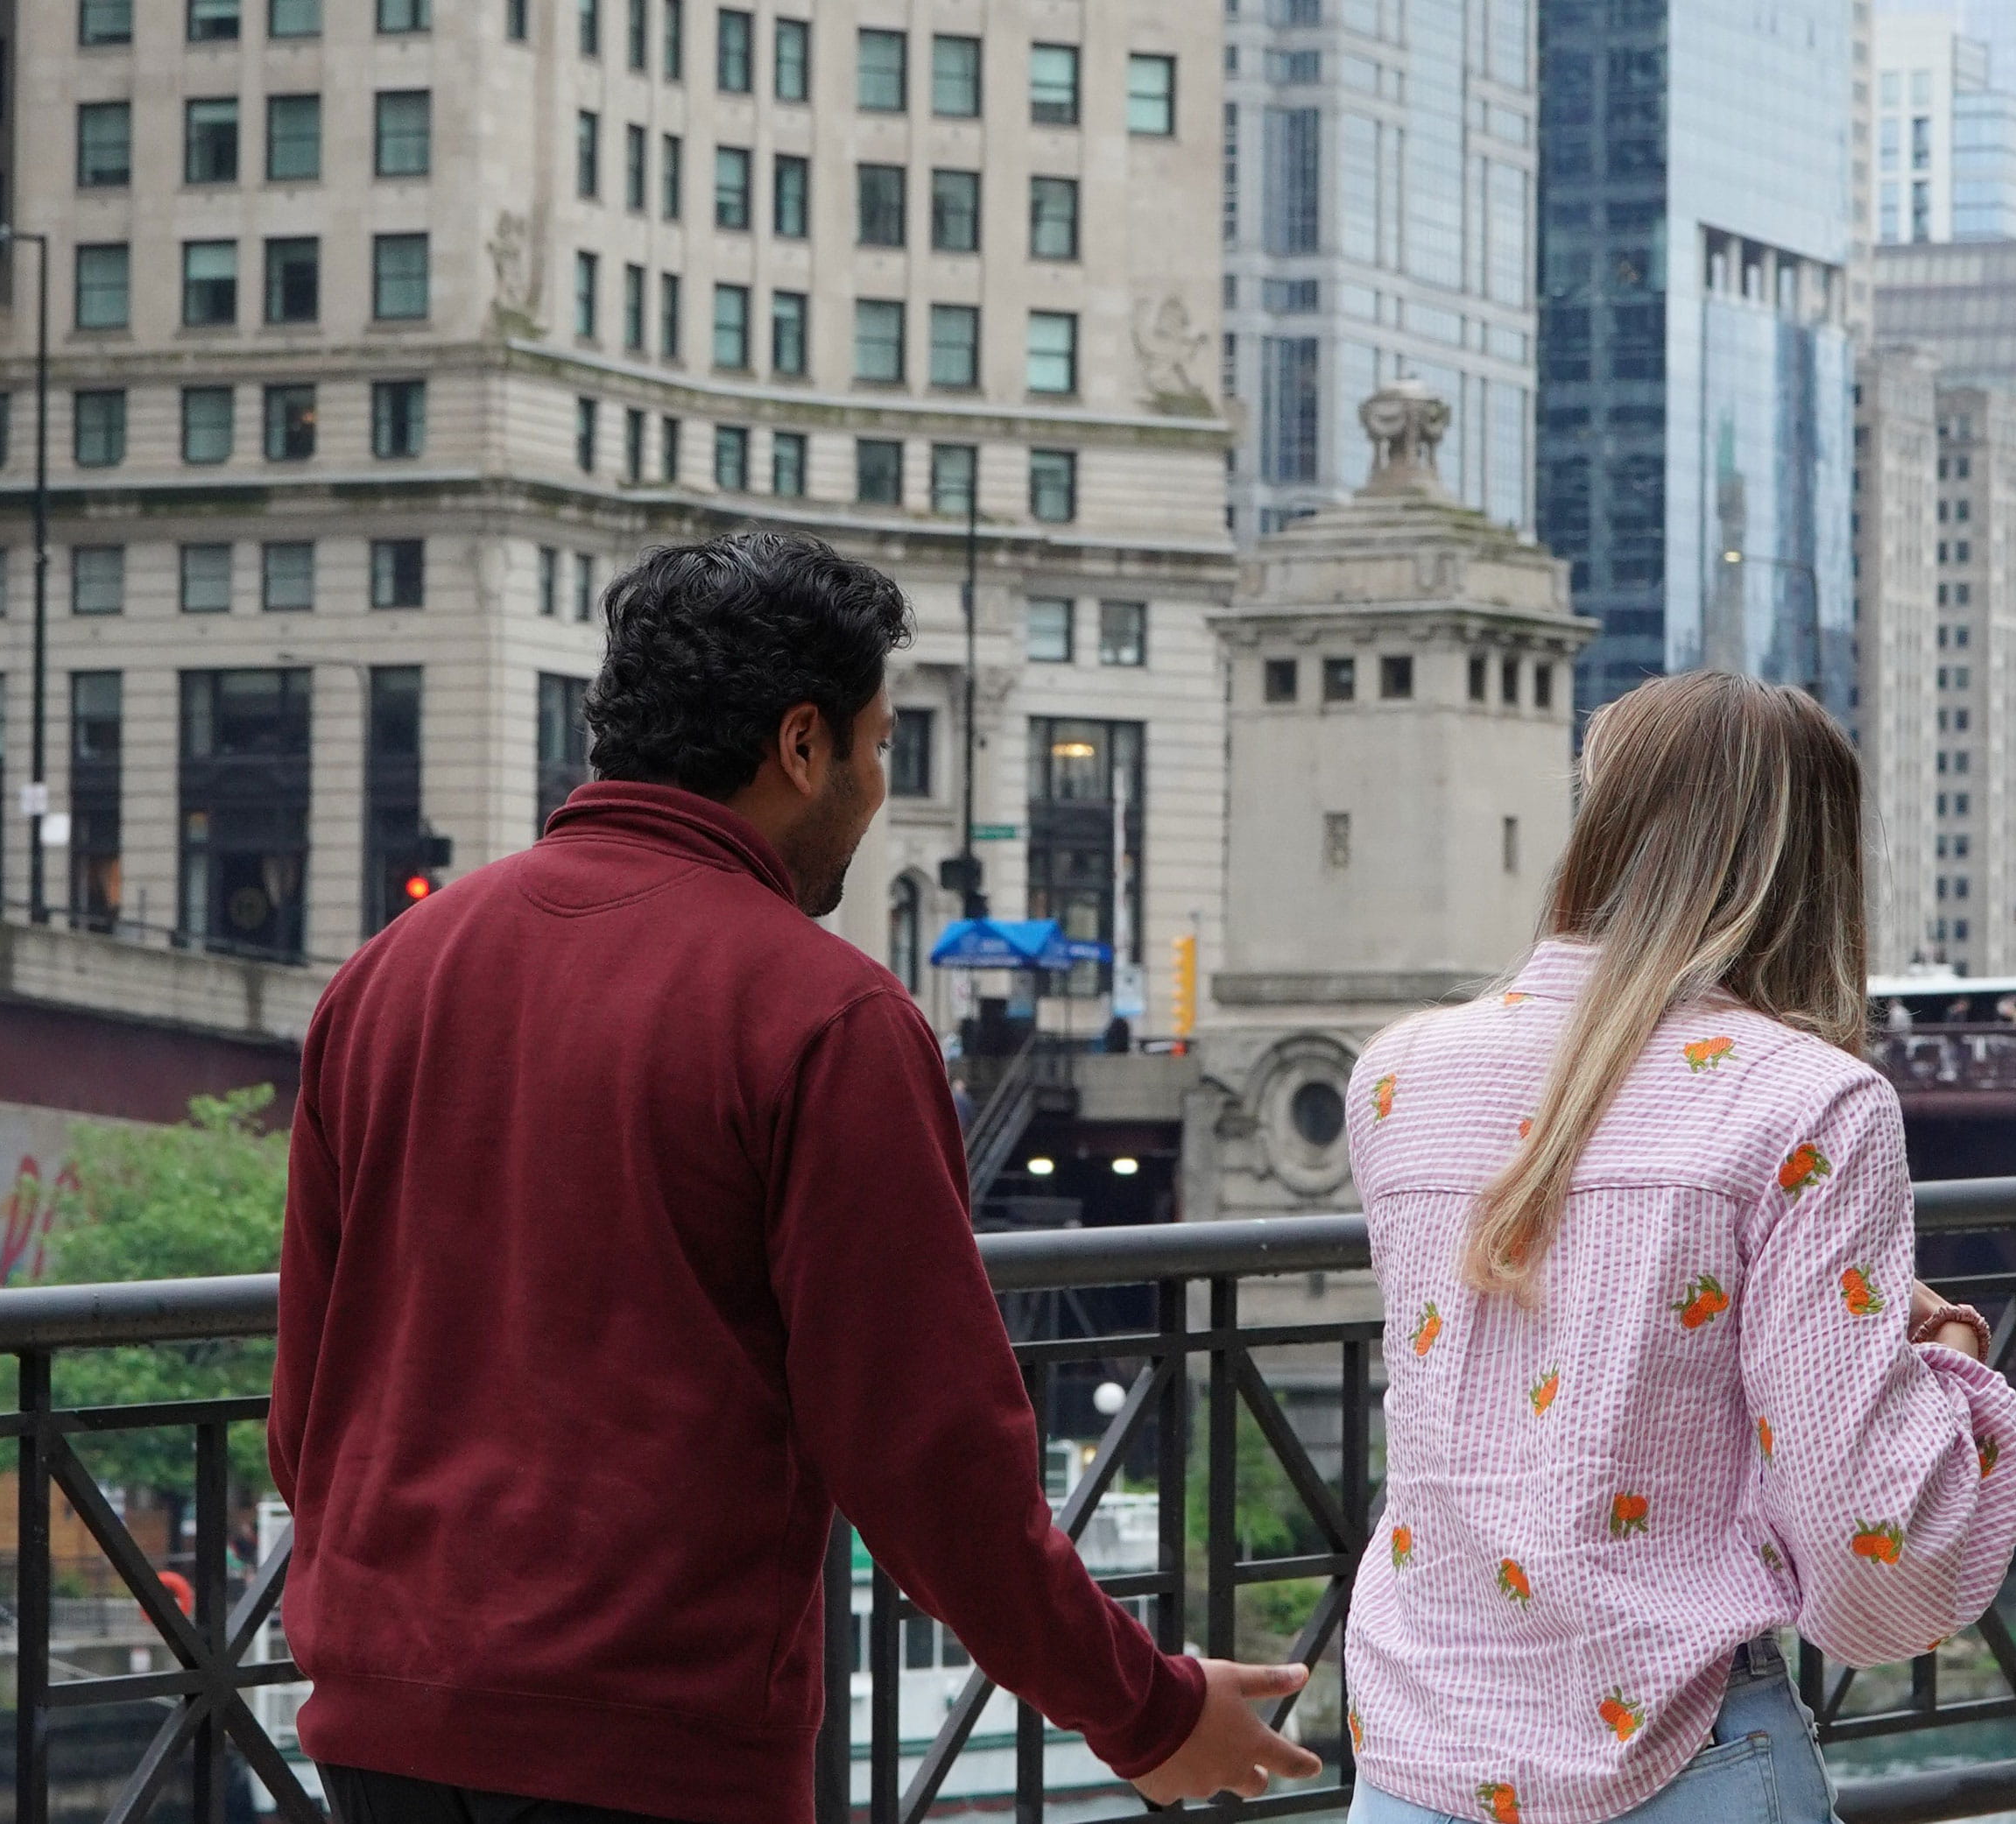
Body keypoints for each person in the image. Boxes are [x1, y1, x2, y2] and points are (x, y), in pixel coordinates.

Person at [270, 532, 1318, 1824]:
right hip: (653, 1742)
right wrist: (1145, 1711)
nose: (878, 785)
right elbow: (929, 1459)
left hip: (380, 1718)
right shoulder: (826, 1016)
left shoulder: (388, 974)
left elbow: (305, 1407)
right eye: (880, 746)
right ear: (801, 744)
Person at [1337, 672, 2016, 1824]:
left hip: (1419, 1763)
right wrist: (1953, 1363)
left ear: (1599, 820)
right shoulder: (1812, 1104)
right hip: (1682, 1758)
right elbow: (1871, 1567)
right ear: (1818, 859)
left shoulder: (1400, 1075)